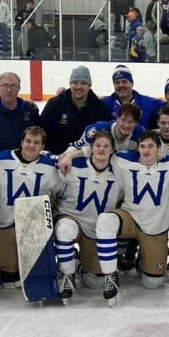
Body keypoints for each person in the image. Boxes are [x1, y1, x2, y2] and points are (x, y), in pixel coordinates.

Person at [93, 131, 169, 305]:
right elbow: (99, 151)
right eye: (142, 146)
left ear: (158, 148)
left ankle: (143, 257)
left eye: (150, 146)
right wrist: (70, 156)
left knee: (153, 283)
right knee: (105, 221)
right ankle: (110, 276)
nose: (146, 150)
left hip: (155, 228)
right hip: (130, 218)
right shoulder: (123, 159)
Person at [54, 130, 122, 304]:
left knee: (94, 282)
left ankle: (77, 264)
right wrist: (68, 155)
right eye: (97, 145)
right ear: (90, 148)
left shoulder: (120, 170)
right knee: (65, 229)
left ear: (112, 150)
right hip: (72, 218)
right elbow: (50, 161)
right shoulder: (74, 166)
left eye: (106, 146)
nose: (101, 149)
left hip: (96, 228)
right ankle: (67, 275)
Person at [0, 126, 63, 286]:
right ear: (21, 142)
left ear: (43, 147)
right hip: (5, 224)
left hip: (34, 227)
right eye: (28, 141)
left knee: (34, 276)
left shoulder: (50, 167)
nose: (31, 145)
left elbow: (59, 194)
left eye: (36, 142)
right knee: (9, 279)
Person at [39, 66, 112, 155]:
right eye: (75, 83)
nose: (79, 87)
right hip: (55, 158)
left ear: (89, 86)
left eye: (83, 83)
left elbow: (106, 138)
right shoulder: (54, 104)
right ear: (70, 84)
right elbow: (41, 131)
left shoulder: (101, 108)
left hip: (85, 160)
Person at [0, 72, 41, 158]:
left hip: (26, 163)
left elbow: (39, 137)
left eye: (13, 86)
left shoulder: (30, 110)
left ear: (19, 88)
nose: (9, 90)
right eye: (5, 86)